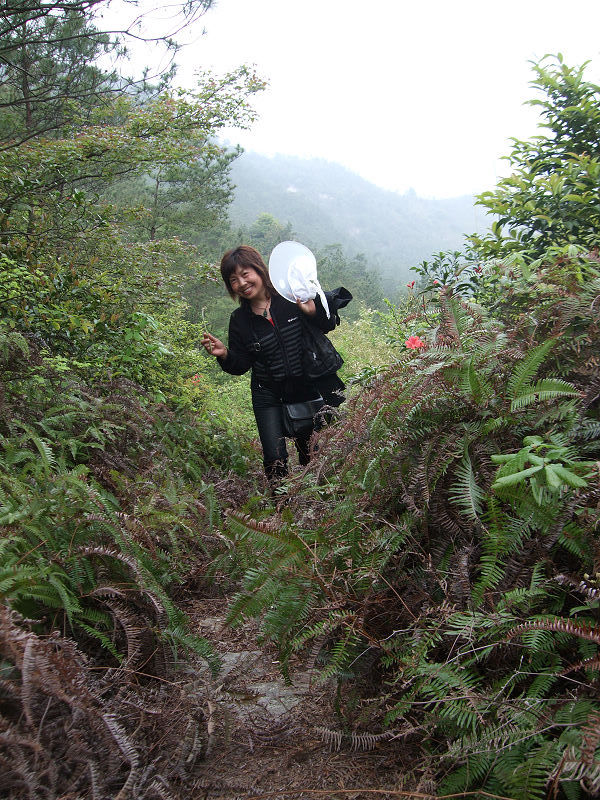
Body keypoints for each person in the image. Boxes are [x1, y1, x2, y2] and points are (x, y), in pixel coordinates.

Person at [201, 245, 348, 488]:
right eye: (233, 279)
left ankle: (317, 506)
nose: (242, 283)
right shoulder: (240, 320)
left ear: (259, 270)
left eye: (245, 274)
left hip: (307, 388)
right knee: (275, 461)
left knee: (312, 454)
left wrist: (312, 312)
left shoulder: (290, 298)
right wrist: (225, 354)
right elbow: (240, 365)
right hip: (267, 394)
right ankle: (283, 513)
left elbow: (327, 324)